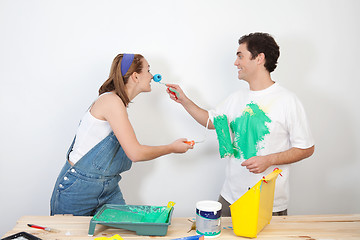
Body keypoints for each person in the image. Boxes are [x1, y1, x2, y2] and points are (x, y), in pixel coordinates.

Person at [166, 33, 315, 216]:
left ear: (259, 58)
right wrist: (184, 100)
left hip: (267, 204)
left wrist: (268, 160)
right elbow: (212, 122)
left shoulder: (287, 101)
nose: (236, 63)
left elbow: (306, 148)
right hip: (230, 199)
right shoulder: (236, 99)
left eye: (240, 56)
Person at [50, 53, 193, 216]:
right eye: (148, 70)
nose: (152, 76)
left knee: (126, 230)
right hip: (78, 188)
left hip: (108, 187)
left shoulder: (118, 104)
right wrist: (171, 147)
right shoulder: (111, 102)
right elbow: (135, 153)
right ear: (135, 76)